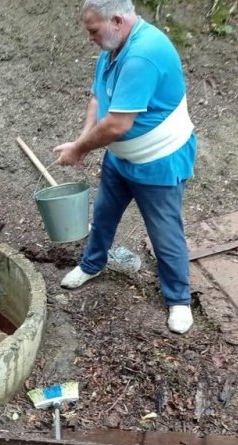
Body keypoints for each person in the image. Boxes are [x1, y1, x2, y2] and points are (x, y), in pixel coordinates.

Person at [54, 0, 197, 334]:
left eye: (92, 30)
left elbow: (117, 124)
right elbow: (97, 98)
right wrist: (83, 141)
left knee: (165, 233)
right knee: (103, 213)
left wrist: (78, 149)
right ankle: (92, 264)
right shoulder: (112, 48)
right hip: (120, 158)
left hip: (158, 161)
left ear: (116, 20)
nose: (89, 37)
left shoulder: (141, 55)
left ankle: (178, 299)